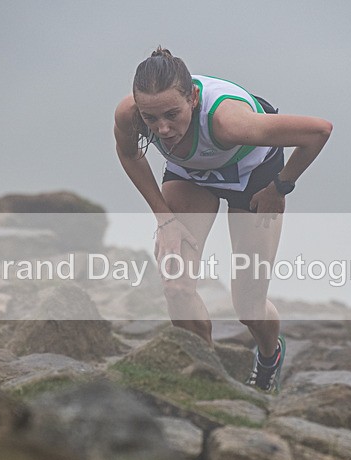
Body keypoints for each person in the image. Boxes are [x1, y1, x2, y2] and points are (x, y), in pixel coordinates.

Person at [114, 47, 332, 392]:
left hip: (254, 177)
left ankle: (269, 354)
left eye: (172, 114)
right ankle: (206, 378)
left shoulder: (230, 122)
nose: (164, 128)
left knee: (248, 305)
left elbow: (318, 131)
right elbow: (129, 154)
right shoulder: (129, 114)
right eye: (151, 118)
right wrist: (165, 220)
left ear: (194, 97)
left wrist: (280, 187)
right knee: (176, 285)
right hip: (191, 176)